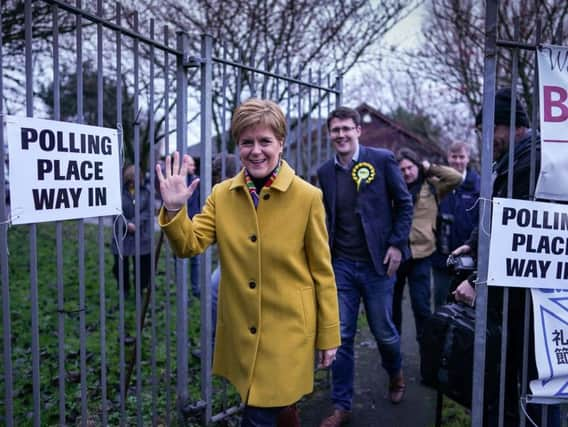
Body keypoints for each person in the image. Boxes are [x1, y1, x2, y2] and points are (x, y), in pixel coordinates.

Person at [156, 98, 340, 427]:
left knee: (257, 416)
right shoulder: (221, 195)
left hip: (288, 332)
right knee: (271, 404)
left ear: (281, 143)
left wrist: (328, 335)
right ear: (238, 146)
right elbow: (189, 244)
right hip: (242, 330)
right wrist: (173, 210)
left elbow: (322, 273)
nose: (256, 151)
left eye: (265, 141)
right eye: (247, 142)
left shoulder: (308, 197)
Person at [452, 88, 560, 426]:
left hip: (535, 301)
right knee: (525, 379)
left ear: (514, 126)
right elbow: (497, 211)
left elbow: (516, 233)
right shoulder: (515, 158)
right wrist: (472, 242)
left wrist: (474, 281)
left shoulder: (533, 161)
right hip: (522, 294)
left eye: (491, 129)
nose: (488, 139)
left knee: (538, 383)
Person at [317, 106, 413, 426]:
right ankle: (341, 405)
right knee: (340, 335)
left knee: (383, 331)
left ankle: (395, 374)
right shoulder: (325, 173)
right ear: (330, 134)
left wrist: (397, 245)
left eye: (347, 128)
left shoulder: (382, 160)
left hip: (377, 264)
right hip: (342, 264)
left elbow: (404, 203)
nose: (341, 135)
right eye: (335, 130)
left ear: (358, 130)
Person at [393, 148, 462, 345]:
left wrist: (429, 167)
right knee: (393, 306)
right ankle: (394, 350)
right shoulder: (394, 187)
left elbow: (456, 178)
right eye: (402, 169)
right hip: (397, 254)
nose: (407, 173)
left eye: (410, 167)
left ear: (417, 166)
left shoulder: (432, 187)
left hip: (422, 254)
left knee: (421, 306)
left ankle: (426, 351)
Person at [430, 142, 480, 309]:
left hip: (468, 258)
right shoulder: (436, 183)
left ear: (468, 159)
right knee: (440, 304)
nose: (457, 161)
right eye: (454, 157)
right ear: (448, 158)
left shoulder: (478, 185)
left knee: (465, 306)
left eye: (461, 157)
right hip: (442, 257)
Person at [111, 164, 153, 296]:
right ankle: (124, 289)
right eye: (131, 179)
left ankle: (140, 288)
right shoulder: (118, 192)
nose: (133, 182)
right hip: (122, 235)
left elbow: (148, 211)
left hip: (141, 235)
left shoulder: (146, 192)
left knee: (142, 265)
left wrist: (135, 222)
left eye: (136, 178)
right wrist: (127, 223)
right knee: (120, 265)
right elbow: (115, 211)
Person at [186, 155, 201, 298]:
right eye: (191, 165)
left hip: (194, 223)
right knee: (180, 258)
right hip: (182, 224)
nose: (194, 167)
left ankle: (195, 288)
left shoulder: (196, 180)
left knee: (195, 259)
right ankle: (182, 288)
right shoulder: (178, 181)